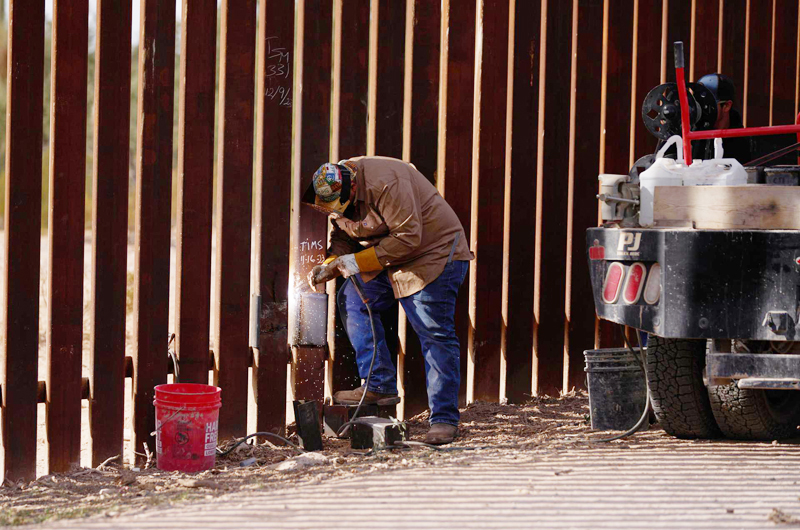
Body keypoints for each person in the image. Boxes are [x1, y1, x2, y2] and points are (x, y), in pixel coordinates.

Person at [303, 156, 473, 445]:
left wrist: (354, 262)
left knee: (433, 333)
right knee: (353, 297)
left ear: (353, 187)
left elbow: (409, 238)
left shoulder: (388, 182)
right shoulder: (334, 190)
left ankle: (444, 419)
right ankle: (378, 382)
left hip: (434, 254)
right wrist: (332, 261)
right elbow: (343, 233)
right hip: (392, 258)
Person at [694, 73, 751, 164]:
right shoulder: (689, 136)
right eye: (698, 104)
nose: (701, 109)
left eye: (708, 103)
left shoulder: (743, 144)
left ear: (726, 106)